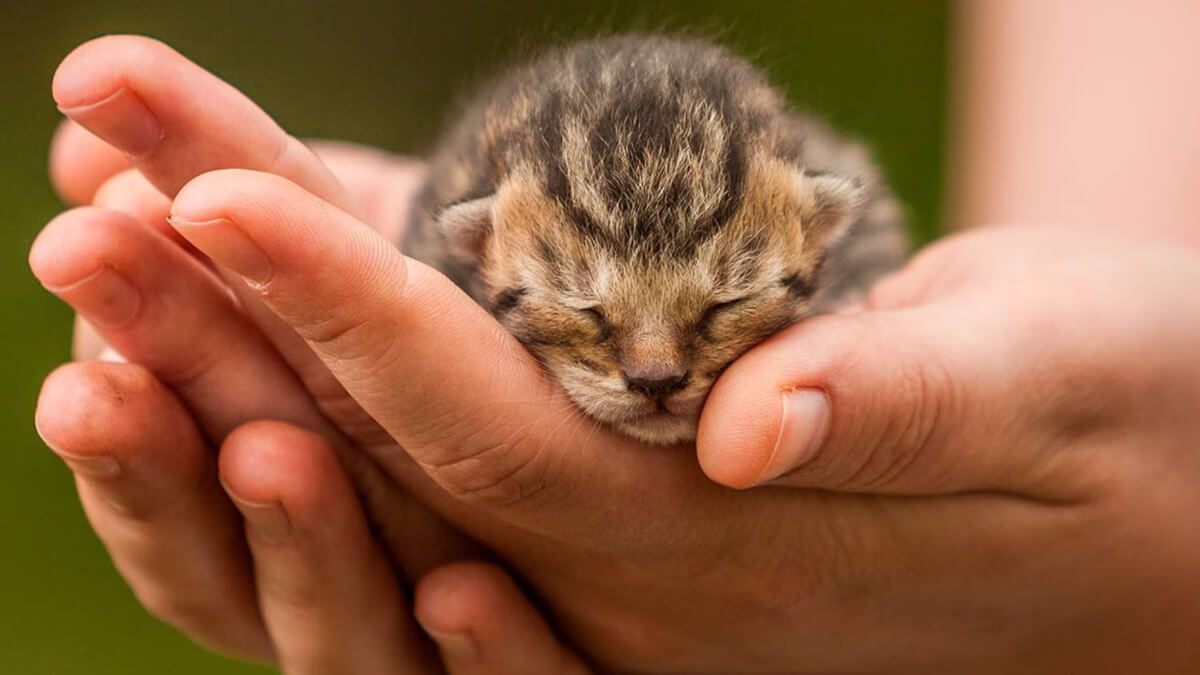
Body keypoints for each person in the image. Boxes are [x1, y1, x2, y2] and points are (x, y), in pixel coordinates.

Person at [31, 1, 1200, 672]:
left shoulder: (847, 241)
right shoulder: (474, 240)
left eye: (719, 307)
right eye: (586, 315)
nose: (651, 371)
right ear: (478, 250)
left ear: (823, 240)